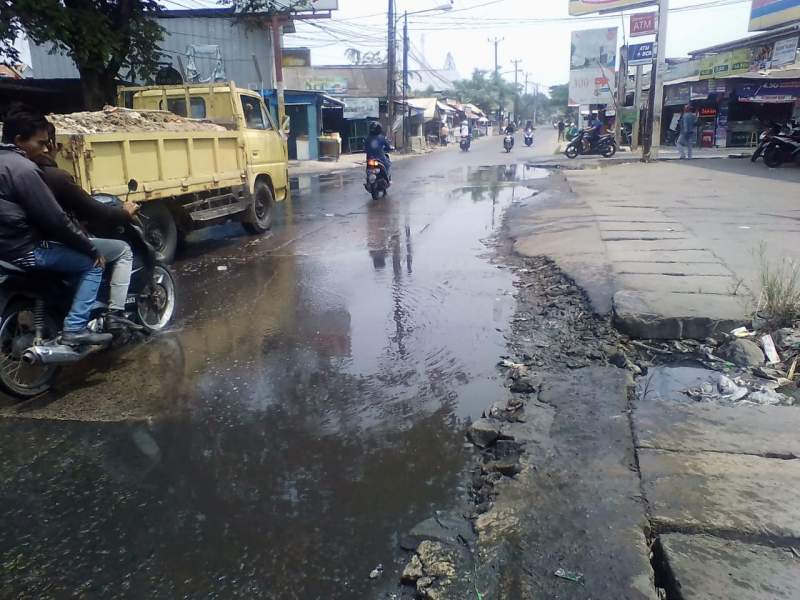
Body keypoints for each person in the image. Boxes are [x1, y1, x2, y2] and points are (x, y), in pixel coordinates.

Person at [0, 106, 110, 345]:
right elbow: (55, 219)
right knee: (92, 265)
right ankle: (75, 327)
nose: (45, 149)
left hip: (5, 250)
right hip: (23, 249)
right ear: (19, 141)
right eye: (40, 143)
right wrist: (91, 250)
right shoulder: (23, 169)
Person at [33, 122, 139, 329]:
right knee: (121, 251)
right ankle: (115, 314)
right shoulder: (55, 176)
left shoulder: (18, 172)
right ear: (51, 145)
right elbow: (93, 210)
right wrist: (124, 213)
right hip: (54, 243)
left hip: (30, 242)